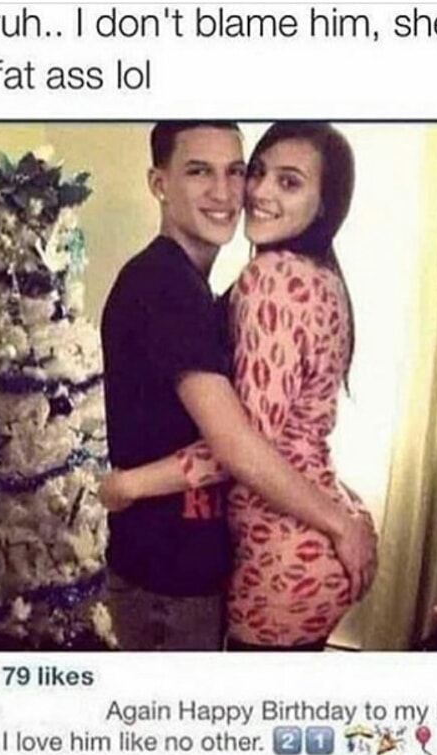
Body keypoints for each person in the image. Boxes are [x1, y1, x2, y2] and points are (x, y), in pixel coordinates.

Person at [100, 122, 377, 650]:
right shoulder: (170, 285)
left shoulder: (264, 280)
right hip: (172, 574)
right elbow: (246, 444)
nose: (232, 192)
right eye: (199, 172)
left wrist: (129, 484)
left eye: (235, 171)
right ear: (159, 183)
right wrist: (342, 517)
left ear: (325, 204)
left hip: (272, 555)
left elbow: (252, 442)